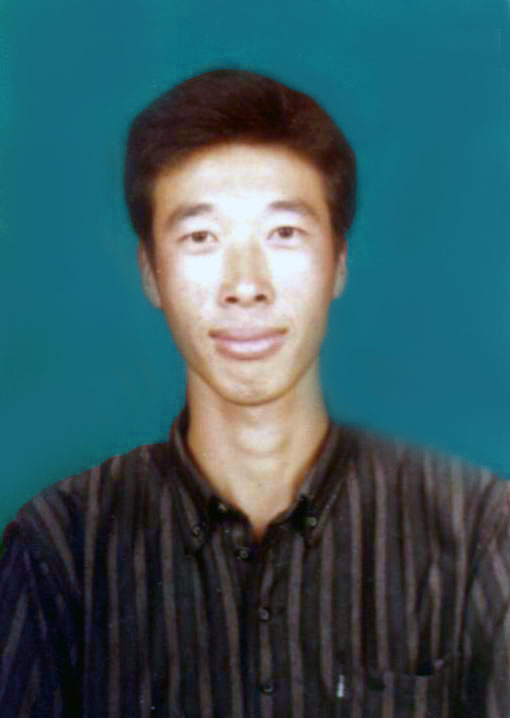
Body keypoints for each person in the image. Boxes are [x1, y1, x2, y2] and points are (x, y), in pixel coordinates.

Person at [0, 68, 509, 718]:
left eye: (284, 233)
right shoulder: (61, 552)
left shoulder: (478, 534)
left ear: (339, 261)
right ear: (150, 272)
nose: (246, 286)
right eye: (201, 238)